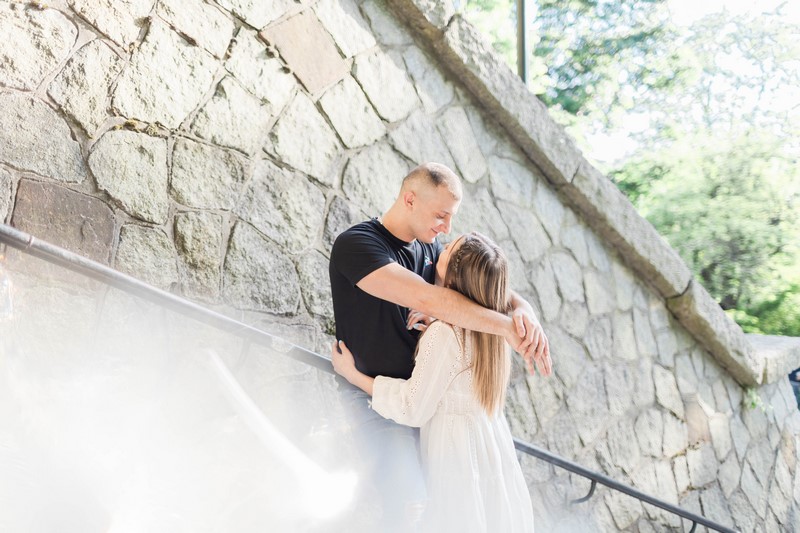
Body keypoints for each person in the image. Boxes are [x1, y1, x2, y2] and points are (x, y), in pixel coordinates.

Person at [328, 162, 550, 531]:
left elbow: (486, 288)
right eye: (441, 216)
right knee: (411, 505)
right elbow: (431, 299)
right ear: (410, 199)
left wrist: (525, 312)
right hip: (378, 402)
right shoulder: (358, 246)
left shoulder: (431, 249)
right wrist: (507, 328)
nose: (446, 228)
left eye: (451, 219)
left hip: (428, 404)